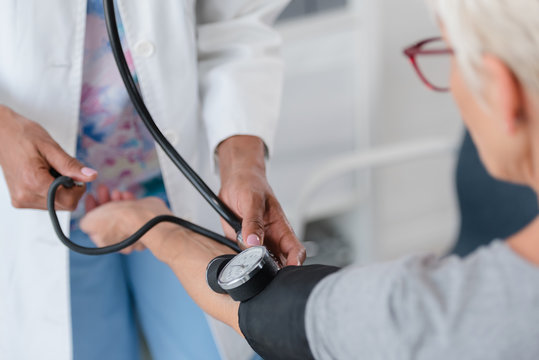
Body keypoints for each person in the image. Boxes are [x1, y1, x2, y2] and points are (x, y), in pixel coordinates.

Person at [80, 0, 539, 358]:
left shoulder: (442, 316)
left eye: (449, 54)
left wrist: (156, 225)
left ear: (501, 93)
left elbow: (276, 313)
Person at [0, 1, 305, 359]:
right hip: (40, 200)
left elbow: (237, 22)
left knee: (215, 346)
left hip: (178, 189)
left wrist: (243, 164)